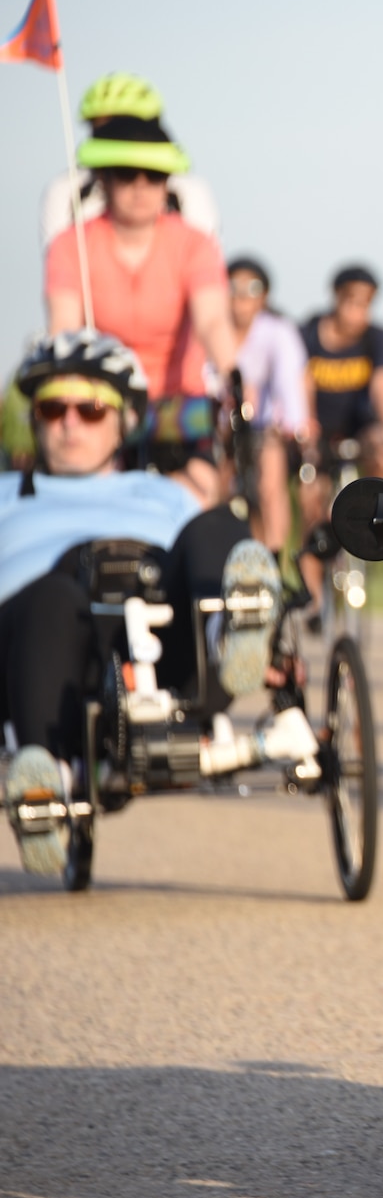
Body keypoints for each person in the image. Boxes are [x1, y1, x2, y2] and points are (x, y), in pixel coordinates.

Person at [1, 332, 281, 875]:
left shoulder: (165, 492)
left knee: (218, 523)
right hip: (41, 647)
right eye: (53, 407)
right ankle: (46, 786)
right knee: (53, 599)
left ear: (125, 420)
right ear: (36, 419)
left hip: (159, 646)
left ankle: (230, 633)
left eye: (90, 408)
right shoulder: (8, 492)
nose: (69, 422)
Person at [43, 115, 234, 504]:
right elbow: (63, 329)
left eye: (155, 176)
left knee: (200, 493)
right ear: (103, 180)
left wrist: (234, 375)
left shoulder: (194, 244)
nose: (141, 188)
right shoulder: (70, 245)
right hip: (103, 403)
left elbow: (212, 320)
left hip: (180, 403)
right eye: (127, 175)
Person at [298, 266, 383, 603]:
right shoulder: (310, 333)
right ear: (336, 299)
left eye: (365, 305)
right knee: (311, 497)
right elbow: (302, 385)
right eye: (352, 303)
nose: (358, 313)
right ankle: (312, 595)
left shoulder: (376, 338)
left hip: (360, 429)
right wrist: (307, 429)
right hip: (320, 433)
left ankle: (369, 522)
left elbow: (382, 388)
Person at [38, 72, 219, 248]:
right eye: (105, 128)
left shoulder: (188, 189)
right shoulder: (66, 189)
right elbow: (56, 259)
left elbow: (206, 257)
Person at [226, 257, 312, 553]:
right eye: (233, 287)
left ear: (264, 296)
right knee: (217, 484)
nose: (241, 296)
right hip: (222, 424)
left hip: (264, 426)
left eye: (251, 287)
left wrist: (294, 423)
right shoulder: (213, 327)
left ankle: (273, 555)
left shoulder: (278, 331)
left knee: (269, 485)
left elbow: (289, 381)